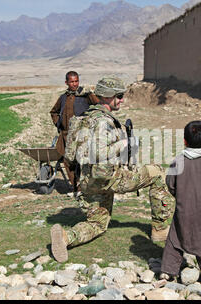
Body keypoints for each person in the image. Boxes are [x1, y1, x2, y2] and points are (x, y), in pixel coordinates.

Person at [50, 77, 175, 262]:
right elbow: (100, 152)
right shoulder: (103, 122)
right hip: (109, 178)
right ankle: (160, 229)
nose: (122, 99)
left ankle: (66, 237)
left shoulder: (82, 118)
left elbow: (69, 156)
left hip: (87, 181)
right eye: (119, 95)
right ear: (108, 97)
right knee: (157, 173)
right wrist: (125, 143)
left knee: (98, 224)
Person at [159, 121, 201, 284]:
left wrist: (179, 195)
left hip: (183, 208)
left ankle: (168, 271)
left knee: (175, 238)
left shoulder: (179, 160)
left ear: (185, 141)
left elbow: (170, 183)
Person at [49, 71, 99, 191]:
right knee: (68, 161)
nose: (74, 84)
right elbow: (53, 112)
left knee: (82, 160)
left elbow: (98, 103)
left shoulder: (84, 95)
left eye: (76, 81)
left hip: (83, 134)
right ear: (66, 82)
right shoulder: (63, 98)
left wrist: (90, 92)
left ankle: (86, 185)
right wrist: (59, 123)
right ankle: (76, 186)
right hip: (66, 135)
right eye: (71, 81)